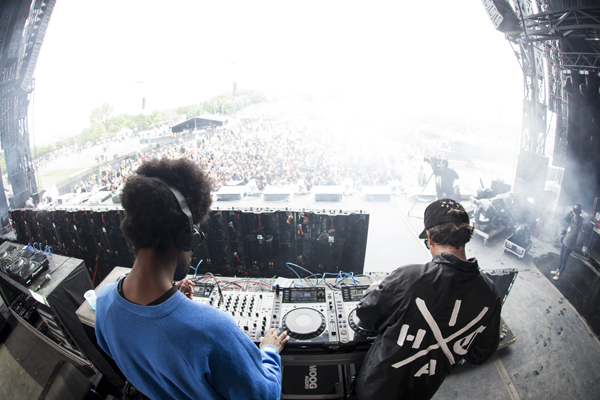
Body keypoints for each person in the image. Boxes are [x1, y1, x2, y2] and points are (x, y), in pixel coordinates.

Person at [95, 158, 289, 400]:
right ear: (189, 235)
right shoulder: (212, 331)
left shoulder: (103, 303)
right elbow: (264, 396)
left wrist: (173, 301)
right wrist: (269, 351)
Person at [352, 199, 502, 400]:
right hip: (423, 391)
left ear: (430, 238)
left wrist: (374, 289)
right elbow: (479, 354)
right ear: (466, 236)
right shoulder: (490, 294)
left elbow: (365, 313)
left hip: (376, 391)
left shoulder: (410, 278)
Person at [551, 203, 583, 281]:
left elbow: (577, 225)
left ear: (579, 211)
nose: (575, 210)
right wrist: (570, 211)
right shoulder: (572, 217)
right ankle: (558, 270)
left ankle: (559, 275)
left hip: (570, 243)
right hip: (565, 240)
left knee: (564, 260)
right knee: (561, 257)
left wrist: (576, 214)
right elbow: (565, 218)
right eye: (574, 208)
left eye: (576, 209)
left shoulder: (580, 220)